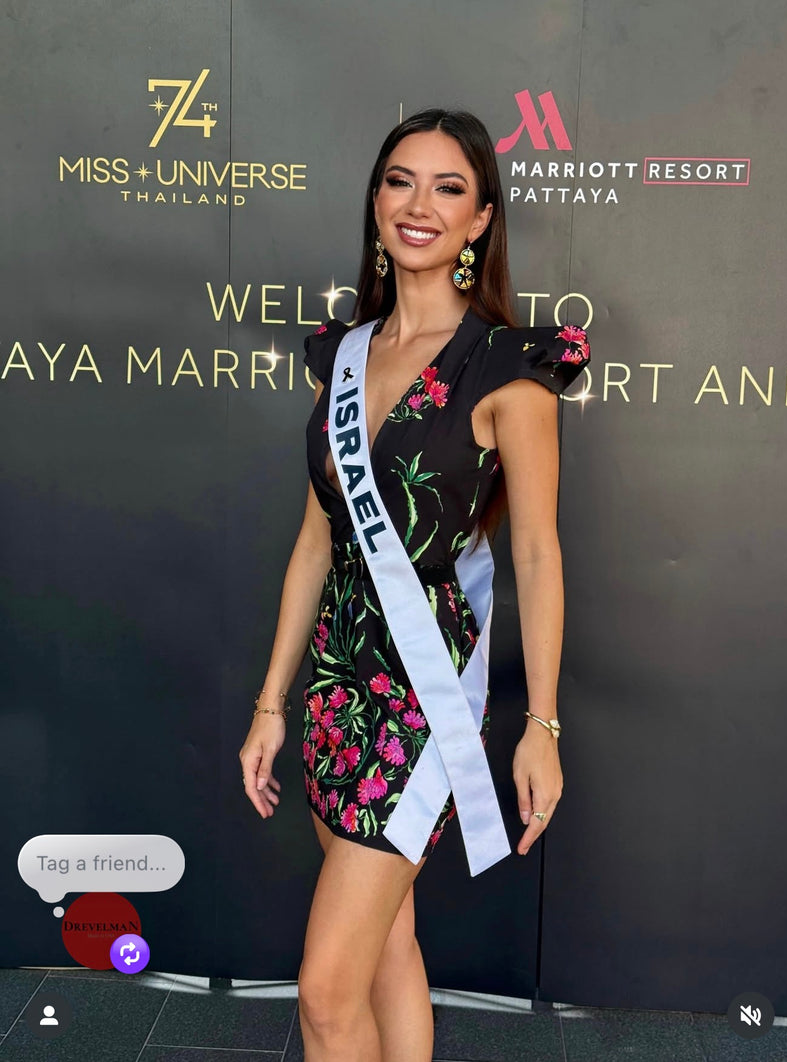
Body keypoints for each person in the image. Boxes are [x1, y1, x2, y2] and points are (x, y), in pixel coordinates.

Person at [239, 108, 590, 1062]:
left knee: (325, 995)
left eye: (448, 187)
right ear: (376, 201)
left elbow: (537, 557)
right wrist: (272, 704)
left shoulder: (509, 368)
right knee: (389, 943)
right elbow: (315, 544)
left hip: (421, 695)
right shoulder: (343, 356)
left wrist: (543, 725)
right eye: (400, 180)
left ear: (481, 219)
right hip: (337, 679)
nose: (418, 204)